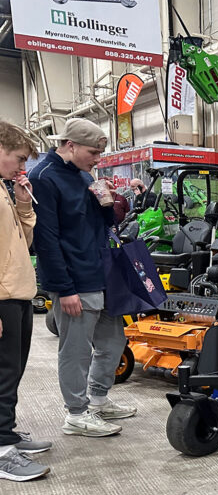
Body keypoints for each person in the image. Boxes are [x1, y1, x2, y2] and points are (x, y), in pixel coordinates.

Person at [30, 117, 135, 438]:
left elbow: (99, 223)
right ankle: (76, 414)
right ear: (70, 145)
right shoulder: (44, 178)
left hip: (99, 273)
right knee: (76, 351)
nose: (98, 159)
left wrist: (107, 202)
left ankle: (99, 399)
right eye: (93, 152)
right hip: (74, 279)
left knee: (113, 341)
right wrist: (64, 289)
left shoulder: (81, 175)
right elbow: (45, 239)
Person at [0, 120, 50, 480]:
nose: (21, 166)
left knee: (12, 371)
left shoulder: (3, 188)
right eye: (18, 158)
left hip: (18, 293)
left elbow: (25, 239)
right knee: (2, 374)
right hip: (2, 296)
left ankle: (6, 434)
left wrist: (21, 199)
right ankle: (1, 450)